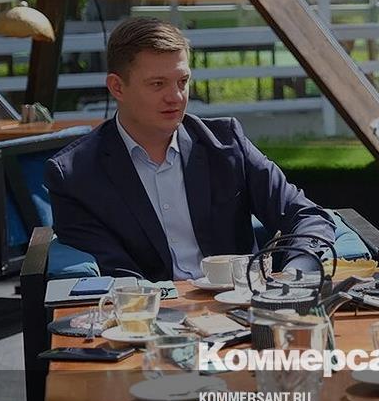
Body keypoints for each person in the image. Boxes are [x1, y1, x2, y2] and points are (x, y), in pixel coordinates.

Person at [45, 17, 335, 281]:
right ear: (117, 87)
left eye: (182, 82)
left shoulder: (226, 143)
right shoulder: (74, 174)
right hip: (149, 313)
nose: (176, 97)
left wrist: (295, 275)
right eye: (158, 84)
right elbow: (117, 275)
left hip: (241, 304)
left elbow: (307, 216)